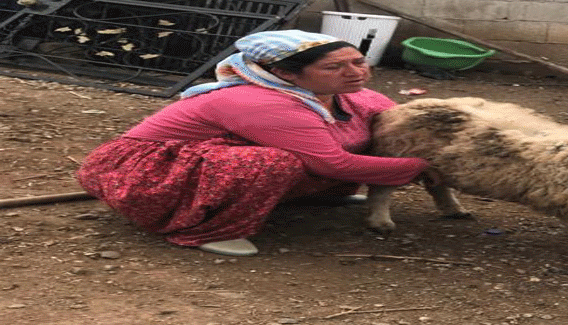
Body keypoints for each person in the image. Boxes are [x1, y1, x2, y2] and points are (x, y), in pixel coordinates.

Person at [76, 30, 436, 257]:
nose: (355, 72)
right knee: (277, 162)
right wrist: (431, 166)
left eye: (359, 61)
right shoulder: (261, 101)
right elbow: (332, 164)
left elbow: (398, 128)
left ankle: (316, 196)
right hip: (145, 174)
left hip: (203, 165)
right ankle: (206, 230)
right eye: (334, 67)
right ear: (285, 73)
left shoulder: (353, 96)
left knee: (367, 135)